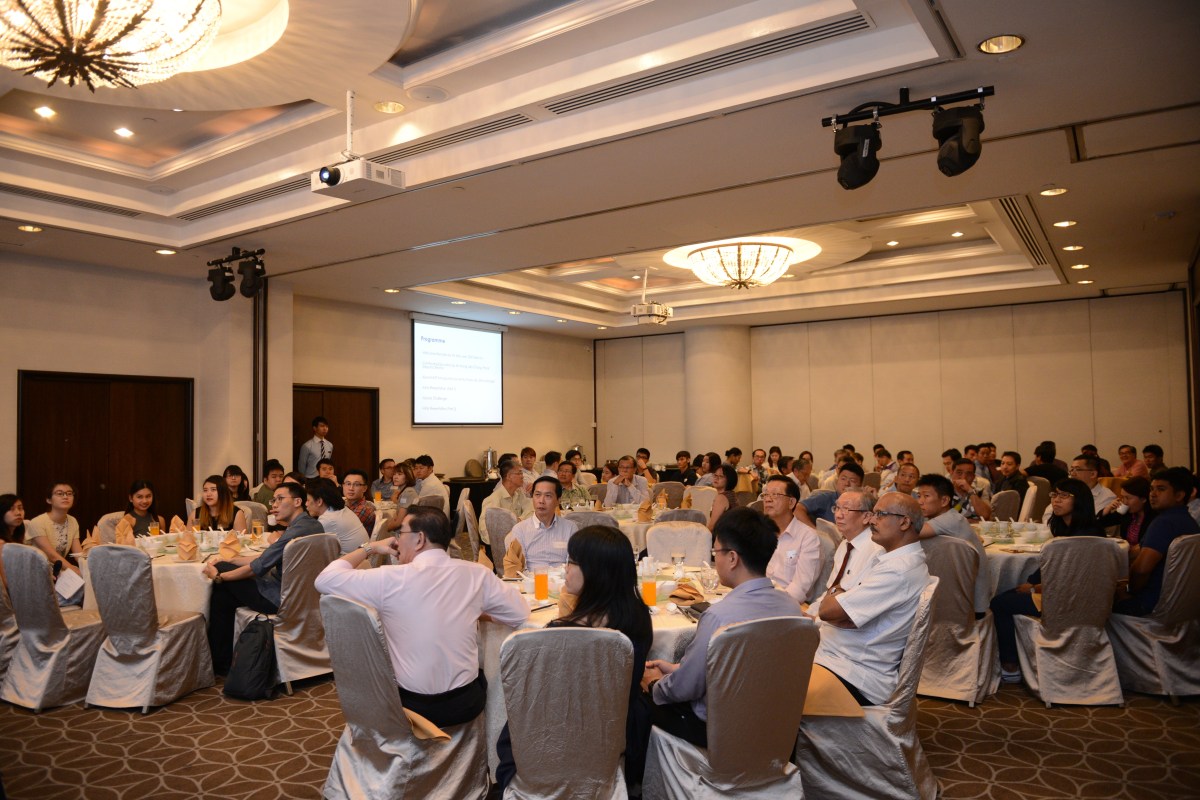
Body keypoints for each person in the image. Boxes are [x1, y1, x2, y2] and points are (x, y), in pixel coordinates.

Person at [315, 506, 528, 729]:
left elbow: (324, 579)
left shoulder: (390, 578)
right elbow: (519, 612)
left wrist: (370, 547)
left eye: (400, 533)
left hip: (412, 707)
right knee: (484, 672)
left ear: (419, 539)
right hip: (464, 704)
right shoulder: (476, 573)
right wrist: (476, 610)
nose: (396, 541)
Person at [495, 526, 653, 793]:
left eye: (571, 562)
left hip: (557, 741)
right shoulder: (638, 618)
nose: (565, 569)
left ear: (595, 571)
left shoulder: (561, 633)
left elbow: (545, 699)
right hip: (615, 735)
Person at [642, 508, 803, 746]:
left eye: (716, 552)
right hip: (775, 723)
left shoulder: (718, 617)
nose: (715, 559)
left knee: (639, 699)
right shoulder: (791, 607)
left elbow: (687, 688)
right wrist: (678, 668)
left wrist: (654, 684)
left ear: (733, 558)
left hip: (718, 731)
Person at [811, 492, 930, 705]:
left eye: (880, 514)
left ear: (904, 523)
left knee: (771, 679)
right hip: (841, 656)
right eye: (874, 514)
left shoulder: (898, 570)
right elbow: (836, 608)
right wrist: (839, 600)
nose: (872, 520)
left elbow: (827, 611)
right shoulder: (896, 560)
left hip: (853, 672)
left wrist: (837, 597)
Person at [203, 482, 324, 674]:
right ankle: (222, 661)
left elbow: (256, 569)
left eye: (280, 499)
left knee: (221, 576)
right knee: (223, 596)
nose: (274, 505)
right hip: (306, 596)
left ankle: (219, 661)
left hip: (278, 598)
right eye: (273, 500)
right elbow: (265, 558)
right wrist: (233, 560)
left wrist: (219, 576)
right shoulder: (314, 525)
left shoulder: (293, 533)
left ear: (297, 502)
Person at [990, 478, 1101, 682]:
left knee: (999, 603)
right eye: (1055, 494)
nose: (1056, 500)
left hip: (1066, 600)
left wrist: (1035, 588)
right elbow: (1050, 566)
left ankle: (1010, 665)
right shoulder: (1073, 529)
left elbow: (1073, 577)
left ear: (1080, 500)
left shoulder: (1084, 536)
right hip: (1073, 597)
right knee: (1008, 595)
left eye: (1064, 496)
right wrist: (1032, 583)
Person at [1113, 467, 1200, 617]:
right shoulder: (1189, 521)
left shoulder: (1163, 523)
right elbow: (1137, 552)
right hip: (1182, 606)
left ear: (1179, 495)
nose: (1153, 494)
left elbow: (1141, 570)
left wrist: (1128, 590)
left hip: (1151, 605)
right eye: (1152, 489)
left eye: (1161, 489)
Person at [915, 475, 990, 618]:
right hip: (959, 596)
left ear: (944, 500)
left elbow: (910, 533)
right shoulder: (946, 517)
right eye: (919, 496)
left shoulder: (950, 519)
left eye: (926, 496)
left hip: (970, 603)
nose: (920, 501)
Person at [809, 490, 884, 603]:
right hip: (828, 607)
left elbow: (858, 602)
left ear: (866, 516)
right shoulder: (844, 545)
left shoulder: (876, 551)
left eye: (846, 509)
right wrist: (812, 610)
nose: (838, 515)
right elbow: (830, 589)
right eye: (837, 508)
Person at [762, 476, 821, 603]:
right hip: (759, 597)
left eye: (775, 494)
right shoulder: (759, 531)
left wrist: (772, 604)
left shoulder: (808, 537)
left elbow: (799, 588)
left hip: (787, 604)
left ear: (791, 502)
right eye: (766, 494)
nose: (767, 499)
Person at [24, 482, 84, 605]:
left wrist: (87, 567)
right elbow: (52, 555)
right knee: (80, 586)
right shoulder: (38, 522)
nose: (65, 496)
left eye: (69, 493)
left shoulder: (73, 521)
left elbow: (78, 554)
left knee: (89, 582)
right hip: (38, 572)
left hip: (59, 571)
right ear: (49, 500)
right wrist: (74, 570)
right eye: (59, 493)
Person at [504, 477, 579, 576]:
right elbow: (518, 569)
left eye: (548, 496)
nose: (541, 501)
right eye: (537, 495)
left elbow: (574, 565)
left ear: (558, 500)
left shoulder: (570, 528)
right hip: (531, 582)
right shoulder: (520, 530)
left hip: (562, 582)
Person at [479, 461, 533, 557]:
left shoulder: (518, 494)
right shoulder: (493, 500)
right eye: (519, 473)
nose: (522, 476)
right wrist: (508, 537)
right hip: (500, 552)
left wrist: (519, 521)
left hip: (518, 544)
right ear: (509, 476)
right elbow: (485, 533)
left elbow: (532, 510)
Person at [1041, 455, 1115, 522]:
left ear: (1093, 474)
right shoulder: (1066, 491)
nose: (1072, 474)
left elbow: (1090, 522)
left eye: (1077, 469)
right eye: (1072, 469)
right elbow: (1047, 516)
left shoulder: (1107, 497)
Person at [305, 478, 368, 554]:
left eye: (308, 500)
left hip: (354, 560)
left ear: (319, 501)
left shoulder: (327, 520)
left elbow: (310, 548)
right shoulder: (342, 509)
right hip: (362, 556)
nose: (306, 504)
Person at [796, 461, 864, 526]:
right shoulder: (826, 498)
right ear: (837, 480)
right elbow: (798, 509)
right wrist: (814, 531)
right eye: (843, 479)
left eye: (852, 480)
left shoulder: (864, 504)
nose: (847, 483)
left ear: (861, 486)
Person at [1097, 477, 1155, 547]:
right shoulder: (1126, 513)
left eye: (1128, 498)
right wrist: (1107, 509)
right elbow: (1098, 524)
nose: (1124, 502)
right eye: (1123, 497)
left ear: (1143, 499)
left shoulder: (1153, 519)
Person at [341, 469, 376, 534]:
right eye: (348, 484)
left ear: (365, 488)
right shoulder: (345, 504)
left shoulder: (364, 509)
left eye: (356, 484)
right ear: (343, 486)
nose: (351, 488)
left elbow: (343, 530)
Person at [706, 463, 739, 531]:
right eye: (715, 475)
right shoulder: (731, 494)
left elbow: (712, 526)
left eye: (721, 476)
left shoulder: (721, 498)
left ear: (729, 479)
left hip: (723, 535)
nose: (716, 478)